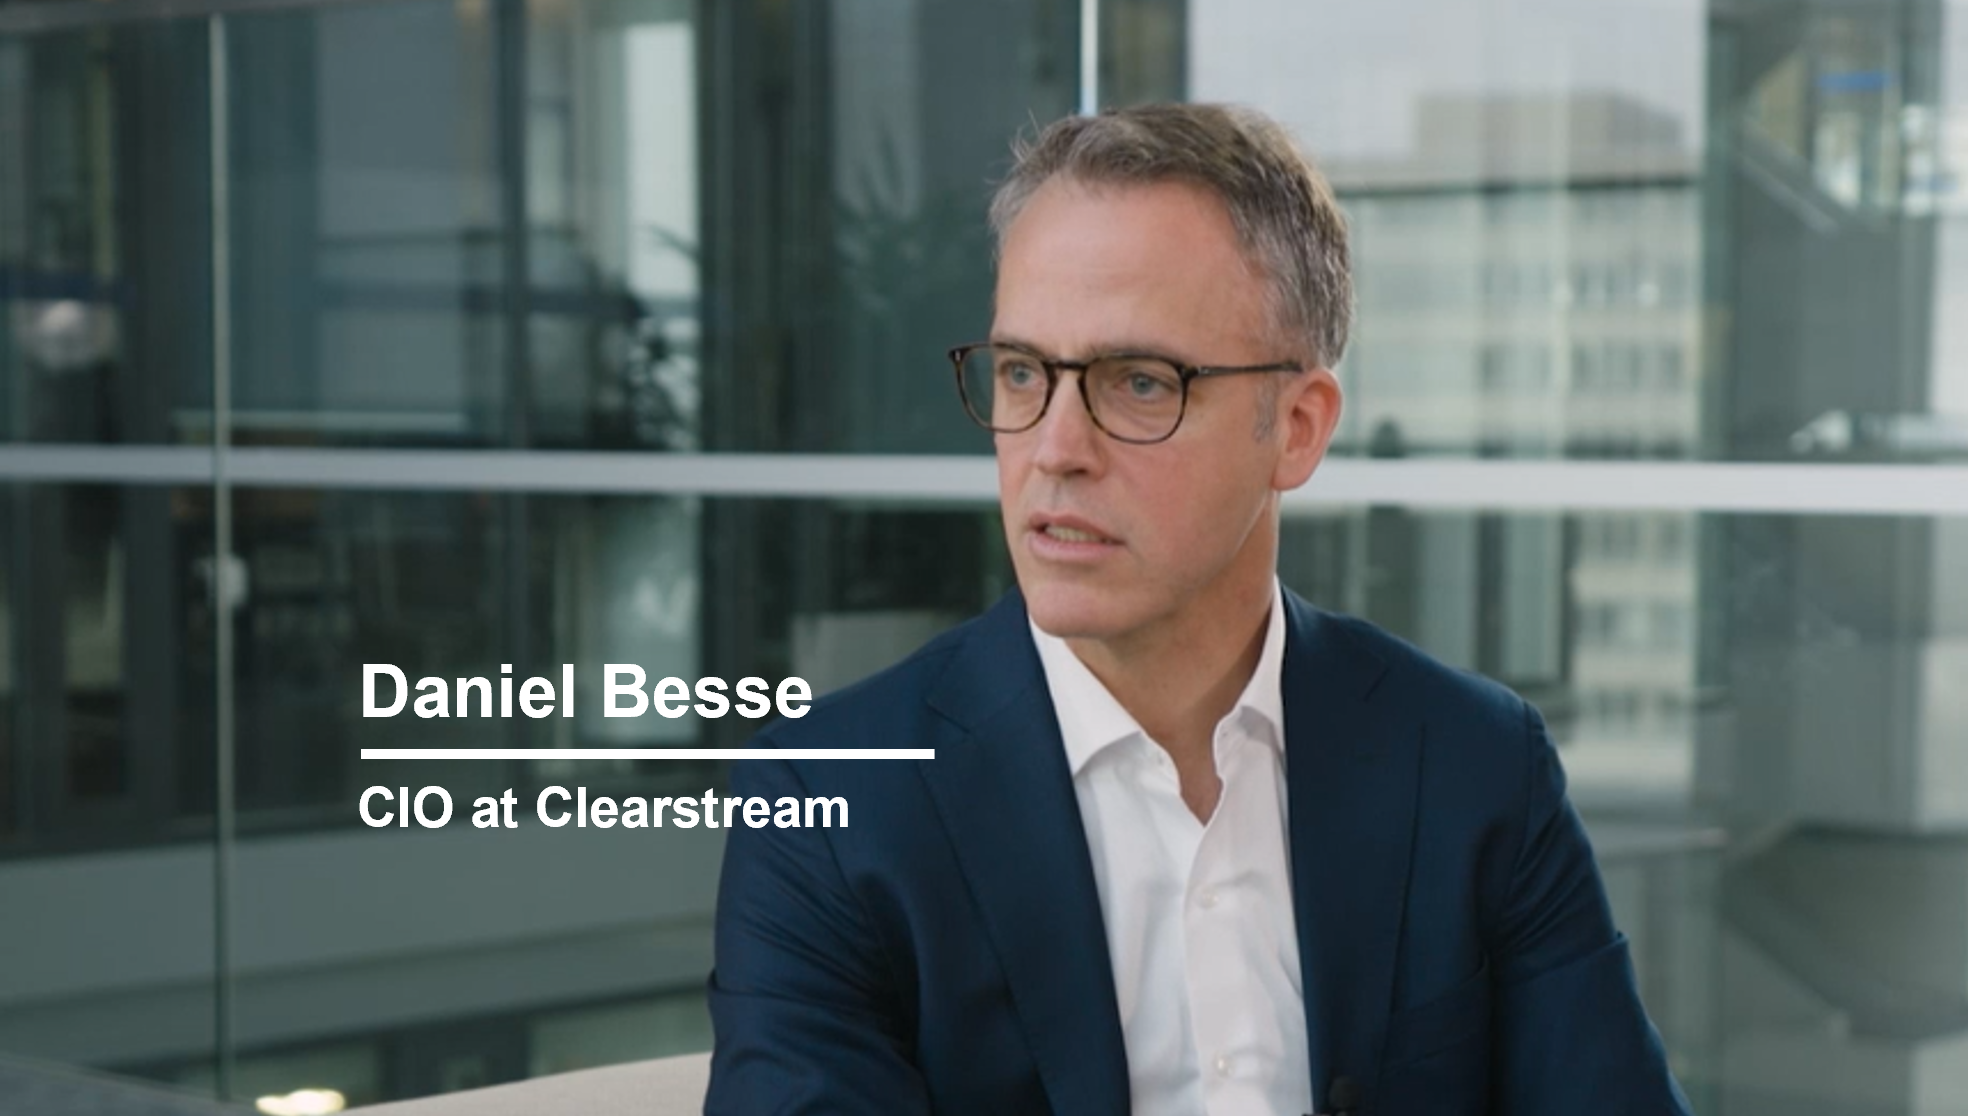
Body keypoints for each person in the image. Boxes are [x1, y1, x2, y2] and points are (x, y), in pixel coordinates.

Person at [705, 102, 1693, 1116]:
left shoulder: (1475, 763)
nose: (1054, 448)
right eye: (1021, 374)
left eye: (1139, 383)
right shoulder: (834, 803)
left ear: (1296, 430)